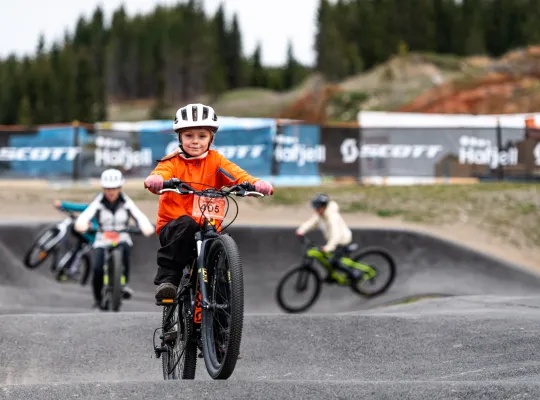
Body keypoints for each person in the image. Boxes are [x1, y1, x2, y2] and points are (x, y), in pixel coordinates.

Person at [143, 103, 274, 300]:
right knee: (187, 224)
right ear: (179, 137)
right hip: (175, 228)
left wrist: (255, 184)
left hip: (208, 227)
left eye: (202, 136)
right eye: (189, 136)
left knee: (220, 252)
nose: (195, 142)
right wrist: (156, 181)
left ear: (211, 138)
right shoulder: (171, 162)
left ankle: (222, 319)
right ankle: (168, 280)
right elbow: (161, 173)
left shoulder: (216, 161)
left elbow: (237, 175)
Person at [74, 168, 155, 309]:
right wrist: (82, 224)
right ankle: (98, 297)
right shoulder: (98, 202)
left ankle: (124, 284)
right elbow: (85, 216)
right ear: (103, 188)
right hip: (102, 238)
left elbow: (139, 216)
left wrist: (145, 226)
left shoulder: (126, 202)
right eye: (108, 188)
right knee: (97, 267)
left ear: (120, 188)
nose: (111, 192)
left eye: (115, 188)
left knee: (125, 252)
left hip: (122, 236)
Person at [295, 193, 359, 279]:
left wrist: (328, 247)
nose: (316, 210)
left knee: (336, 262)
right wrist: (300, 231)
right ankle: (332, 275)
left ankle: (354, 274)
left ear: (324, 206)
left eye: (318, 207)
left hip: (342, 241)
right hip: (333, 241)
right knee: (326, 259)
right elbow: (311, 223)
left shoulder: (333, 217)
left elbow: (336, 235)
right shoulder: (320, 215)